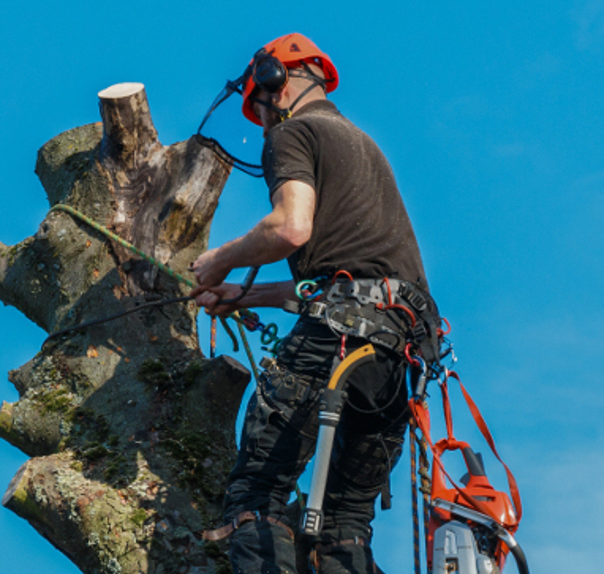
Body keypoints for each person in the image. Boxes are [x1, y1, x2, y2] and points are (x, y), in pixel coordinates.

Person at [190, 33, 437, 574]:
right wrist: (245, 295)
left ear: (275, 78)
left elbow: (291, 227)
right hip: (403, 353)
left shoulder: (294, 133)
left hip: (341, 334)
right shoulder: (362, 144)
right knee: (346, 525)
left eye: (260, 102)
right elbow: (343, 283)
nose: (264, 117)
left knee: (258, 495)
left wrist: (221, 261)